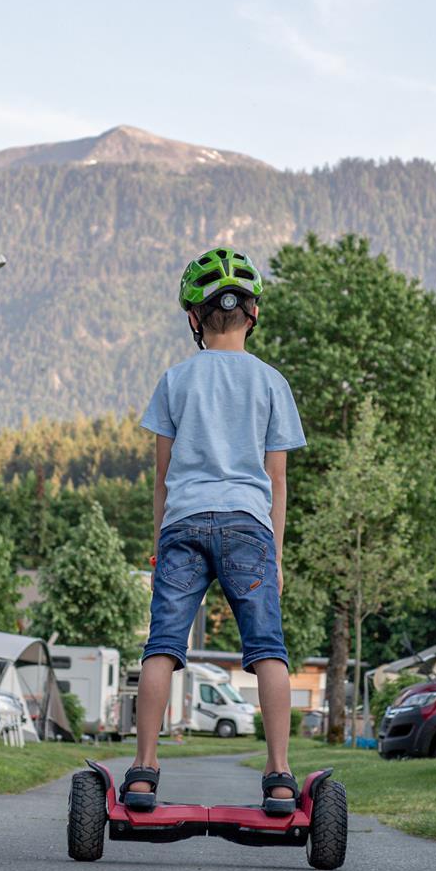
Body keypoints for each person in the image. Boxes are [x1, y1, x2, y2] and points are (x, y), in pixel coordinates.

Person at [126, 249, 305, 814]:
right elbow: (277, 481)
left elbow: (162, 476)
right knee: (267, 649)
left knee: (163, 646)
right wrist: (276, 555)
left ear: (193, 318)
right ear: (254, 314)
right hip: (249, 525)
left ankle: (144, 771)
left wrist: (160, 544)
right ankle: (279, 775)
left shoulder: (174, 380)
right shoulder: (272, 382)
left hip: (183, 523)